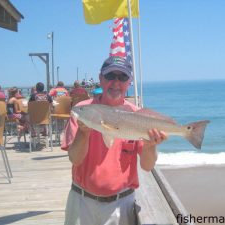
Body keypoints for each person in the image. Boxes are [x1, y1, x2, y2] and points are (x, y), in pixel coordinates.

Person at [61, 56, 167, 225]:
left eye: (122, 77)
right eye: (110, 76)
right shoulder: (83, 111)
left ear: (129, 82)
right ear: (101, 79)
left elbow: (147, 166)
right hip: (82, 202)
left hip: (121, 204)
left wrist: (150, 145)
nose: (116, 82)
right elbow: (75, 158)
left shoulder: (137, 115)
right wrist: (83, 132)